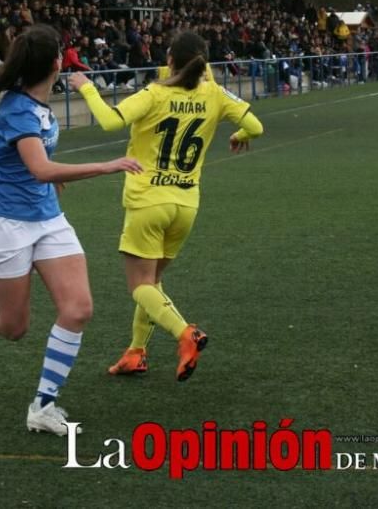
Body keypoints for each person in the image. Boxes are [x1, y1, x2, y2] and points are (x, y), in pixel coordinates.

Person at [0, 24, 142, 436]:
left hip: (46, 218)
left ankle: (42, 407)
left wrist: (54, 182)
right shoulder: (17, 111)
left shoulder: (40, 105)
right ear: (54, 64)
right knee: (13, 328)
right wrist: (106, 165)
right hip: (4, 224)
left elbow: (39, 168)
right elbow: (39, 168)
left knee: (79, 309)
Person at [67, 30, 265, 381]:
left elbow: (111, 120)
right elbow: (255, 126)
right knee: (153, 283)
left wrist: (85, 86)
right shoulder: (215, 93)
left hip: (148, 201)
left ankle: (185, 333)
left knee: (139, 286)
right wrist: (239, 135)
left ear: (170, 59)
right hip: (186, 204)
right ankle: (136, 353)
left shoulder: (155, 93)